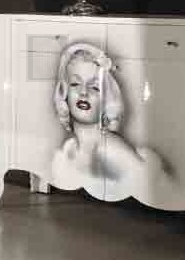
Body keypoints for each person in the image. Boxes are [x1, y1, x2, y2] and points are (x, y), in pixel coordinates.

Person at [52, 42, 163, 199]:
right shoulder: (69, 148)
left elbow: (149, 183)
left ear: (107, 99)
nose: (84, 92)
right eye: (75, 84)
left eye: (95, 87)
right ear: (64, 93)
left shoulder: (112, 149)